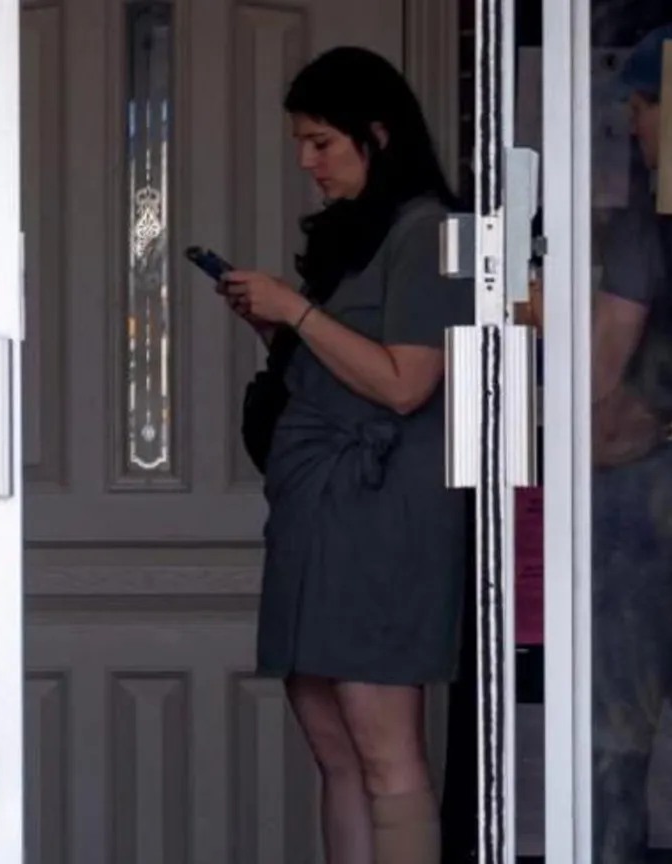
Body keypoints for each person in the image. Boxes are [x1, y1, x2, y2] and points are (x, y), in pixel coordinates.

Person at [219, 47, 471, 864]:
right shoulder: (357, 236)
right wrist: (283, 330)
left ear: (378, 133)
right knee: (332, 746)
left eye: (322, 142)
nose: (307, 162)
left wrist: (295, 312)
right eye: (301, 142)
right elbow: (343, 362)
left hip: (383, 511)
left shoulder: (432, 231)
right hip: (319, 507)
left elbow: (406, 384)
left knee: (384, 749)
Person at [588, 22, 672, 862]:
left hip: (644, 500)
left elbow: (606, 353)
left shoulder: (650, 217)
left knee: (617, 722)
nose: (634, 125)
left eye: (644, 105)